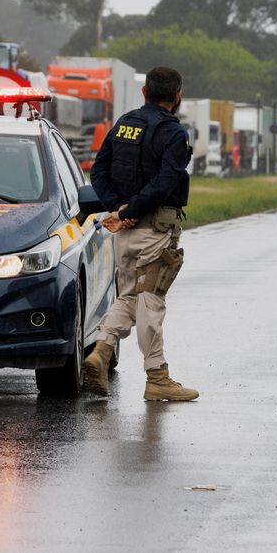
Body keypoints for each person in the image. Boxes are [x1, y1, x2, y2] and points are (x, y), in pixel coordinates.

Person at [83, 66, 198, 402]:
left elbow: (99, 170)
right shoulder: (174, 135)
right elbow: (165, 182)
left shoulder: (123, 125)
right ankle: (157, 377)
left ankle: (101, 351)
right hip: (154, 231)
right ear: (177, 96)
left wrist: (118, 208)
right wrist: (131, 210)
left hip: (124, 232)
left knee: (129, 297)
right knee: (151, 300)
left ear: (144, 92)